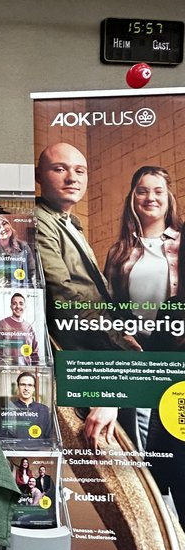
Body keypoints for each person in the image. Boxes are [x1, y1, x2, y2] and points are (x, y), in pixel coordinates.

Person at [35, 141, 140, 449]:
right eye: (60, 169)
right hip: (79, 349)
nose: (72, 178)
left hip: (99, 343)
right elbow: (62, 296)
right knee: (103, 449)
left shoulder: (70, 222)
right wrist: (117, 335)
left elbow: (94, 290)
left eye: (79, 171)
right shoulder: (40, 220)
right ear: (39, 175)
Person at [104, 166, 181, 448]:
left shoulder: (182, 242)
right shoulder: (119, 250)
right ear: (132, 198)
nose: (151, 197)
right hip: (135, 348)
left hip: (175, 347)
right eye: (143, 191)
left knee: (173, 428)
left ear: (169, 198)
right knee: (140, 432)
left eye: (158, 191)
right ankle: (153, 492)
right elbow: (110, 305)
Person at [0, 214, 36, 287]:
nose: (3, 228)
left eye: (4, 224)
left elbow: (33, 271)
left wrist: (35, 290)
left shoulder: (24, 246)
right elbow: (1, 281)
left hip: (26, 289)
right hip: (4, 293)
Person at [0, 292, 40, 365]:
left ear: (25, 306)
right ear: (10, 306)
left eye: (21, 303)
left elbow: (34, 352)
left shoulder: (28, 327)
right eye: (14, 303)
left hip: (26, 371)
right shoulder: (3, 324)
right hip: (7, 370)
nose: (18, 306)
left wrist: (35, 369)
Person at [6, 370, 51, 440]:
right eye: (23, 384)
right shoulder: (9, 408)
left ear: (34, 388)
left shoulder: (44, 409)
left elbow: (48, 436)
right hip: (15, 450)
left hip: (39, 449)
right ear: (18, 386)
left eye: (30, 385)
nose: (26, 388)